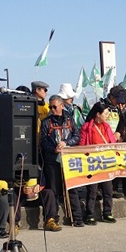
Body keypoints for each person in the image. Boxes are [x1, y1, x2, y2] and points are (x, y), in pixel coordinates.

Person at [39, 95, 85, 227]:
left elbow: (77, 136)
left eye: (54, 106)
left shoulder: (70, 119)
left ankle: (77, 217)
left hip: (68, 158)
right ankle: (53, 218)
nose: (52, 109)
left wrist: (66, 143)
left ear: (61, 106)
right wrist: (54, 149)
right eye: (50, 106)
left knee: (72, 188)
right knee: (53, 190)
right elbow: (43, 141)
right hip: (52, 160)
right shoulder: (46, 122)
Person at [79, 102, 117, 224]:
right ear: (98, 114)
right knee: (92, 190)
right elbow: (82, 145)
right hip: (93, 163)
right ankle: (89, 214)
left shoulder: (106, 127)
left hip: (106, 162)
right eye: (105, 113)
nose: (107, 116)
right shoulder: (86, 127)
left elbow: (112, 143)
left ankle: (107, 212)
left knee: (108, 189)